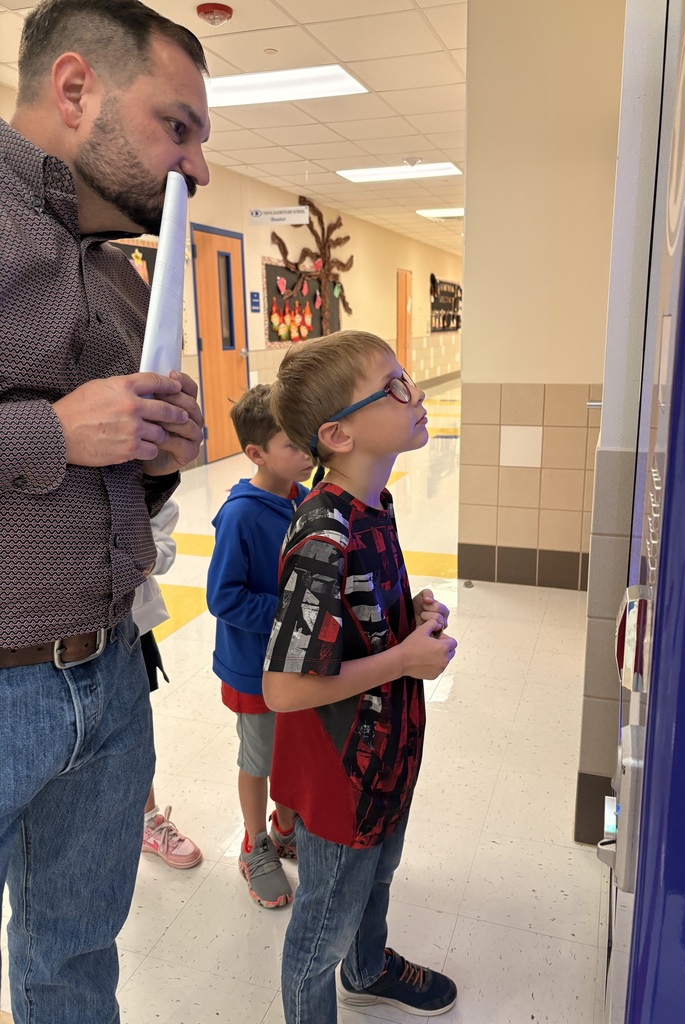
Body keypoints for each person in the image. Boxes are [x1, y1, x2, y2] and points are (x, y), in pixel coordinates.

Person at [0, 1, 209, 1020]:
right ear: (76, 88)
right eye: (179, 126)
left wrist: (158, 458)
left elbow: (119, 480)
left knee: (75, 959)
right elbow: (63, 439)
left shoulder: (125, 276)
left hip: (112, 679)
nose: (198, 166)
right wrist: (55, 430)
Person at [263, 331, 459, 1022]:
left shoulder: (374, 504)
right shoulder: (324, 536)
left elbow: (355, 616)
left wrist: (412, 616)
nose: (418, 394)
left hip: (388, 755)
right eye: (396, 385)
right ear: (339, 434)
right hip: (343, 772)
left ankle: (369, 967)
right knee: (322, 926)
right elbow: (283, 688)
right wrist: (404, 660)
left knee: (376, 877)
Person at [207, 385, 314, 908]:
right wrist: (286, 613)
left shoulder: (301, 498)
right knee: (259, 756)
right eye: (293, 445)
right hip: (255, 669)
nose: (306, 453)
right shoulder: (241, 516)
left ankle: (287, 823)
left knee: (295, 748)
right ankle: (256, 843)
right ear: (257, 453)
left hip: (299, 663)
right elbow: (222, 597)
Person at [133, 498, 203, 870]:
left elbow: (160, 548)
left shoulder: (136, 482)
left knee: (132, 731)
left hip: (126, 627)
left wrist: (129, 552)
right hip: (34, 635)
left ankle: (146, 822)